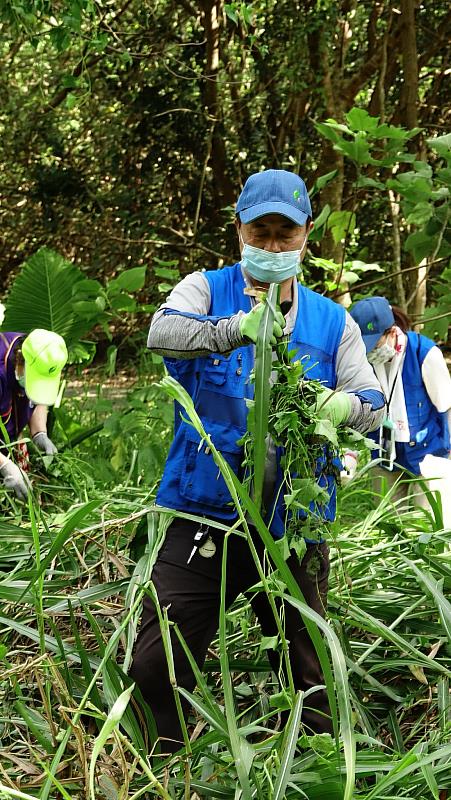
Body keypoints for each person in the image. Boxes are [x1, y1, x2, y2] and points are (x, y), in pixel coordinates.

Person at [130, 169, 385, 752]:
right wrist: (233, 330)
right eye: (260, 232)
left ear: (306, 234)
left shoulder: (333, 322)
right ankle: (171, 765)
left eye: (284, 234)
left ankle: (309, 771)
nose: (271, 247)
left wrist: (340, 405)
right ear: (239, 228)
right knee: (155, 661)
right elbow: (160, 332)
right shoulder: (205, 289)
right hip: (207, 515)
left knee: (308, 677)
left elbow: (374, 405)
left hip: (292, 526)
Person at [349, 296, 451, 508]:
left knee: (428, 525)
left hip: (428, 454)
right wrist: (351, 454)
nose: (371, 352)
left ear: (392, 332)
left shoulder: (423, 353)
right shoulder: (362, 364)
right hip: (384, 454)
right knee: (389, 524)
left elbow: (447, 407)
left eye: (374, 345)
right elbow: (358, 411)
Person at [0, 328, 68, 500]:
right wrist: (5, 466)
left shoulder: (42, 356)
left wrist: (40, 433)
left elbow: (39, 400)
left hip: (10, 441)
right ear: (20, 363)